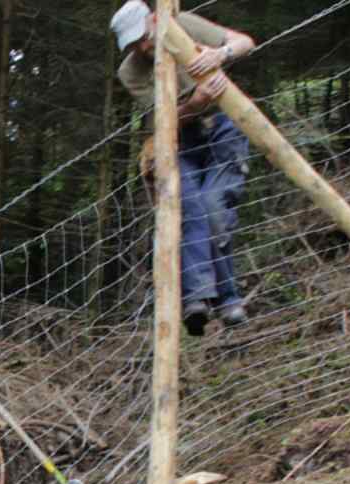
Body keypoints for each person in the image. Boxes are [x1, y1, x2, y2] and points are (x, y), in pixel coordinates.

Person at [111, 0, 256, 335]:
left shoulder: (183, 24)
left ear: (153, 20)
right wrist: (194, 103)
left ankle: (229, 300)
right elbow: (165, 119)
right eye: (133, 45)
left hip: (224, 123)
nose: (143, 47)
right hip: (181, 137)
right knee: (189, 208)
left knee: (213, 206)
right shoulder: (130, 72)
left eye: (143, 38)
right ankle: (197, 301)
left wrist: (220, 55)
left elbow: (244, 42)